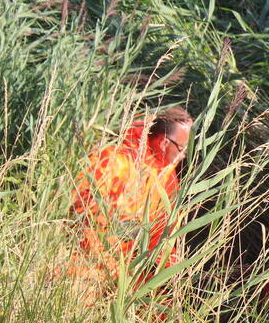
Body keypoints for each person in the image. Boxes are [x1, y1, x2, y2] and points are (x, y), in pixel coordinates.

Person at [68, 108, 194, 292]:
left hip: (131, 262)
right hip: (92, 255)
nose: (184, 156)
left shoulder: (168, 178)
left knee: (160, 302)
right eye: (182, 149)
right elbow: (82, 203)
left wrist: (168, 268)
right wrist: (123, 232)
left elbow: (163, 232)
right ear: (164, 142)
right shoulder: (116, 157)